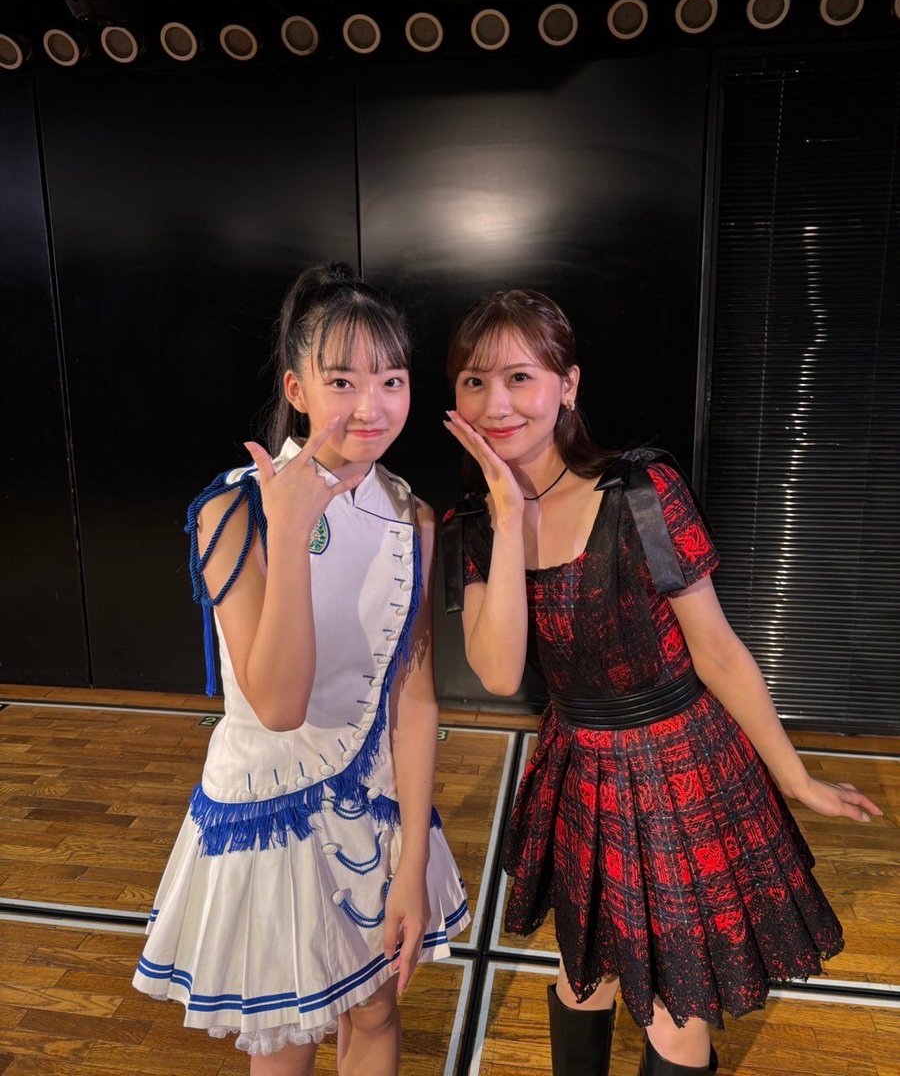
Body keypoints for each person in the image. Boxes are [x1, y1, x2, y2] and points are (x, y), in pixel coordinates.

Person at [440, 288, 880, 1076]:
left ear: (567, 385)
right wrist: (507, 519)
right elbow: (501, 673)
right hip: (580, 769)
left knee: (678, 1018)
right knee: (585, 976)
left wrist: (796, 777)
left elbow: (718, 652)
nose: (496, 404)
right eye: (475, 381)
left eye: (519, 377)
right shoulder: (474, 525)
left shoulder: (641, 492)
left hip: (682, 767)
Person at [133, 263, 469, 1076]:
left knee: (376, 1008)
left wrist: (413, 866)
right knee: (288, 1036)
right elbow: (279, 704)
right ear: (298, 387)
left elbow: (414, 698)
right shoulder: (232, 508)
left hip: (375, 804)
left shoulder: (412, 514)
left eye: (392, 380)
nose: (371, 405)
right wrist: (287, 533)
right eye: (343, 380)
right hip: (270, 812)